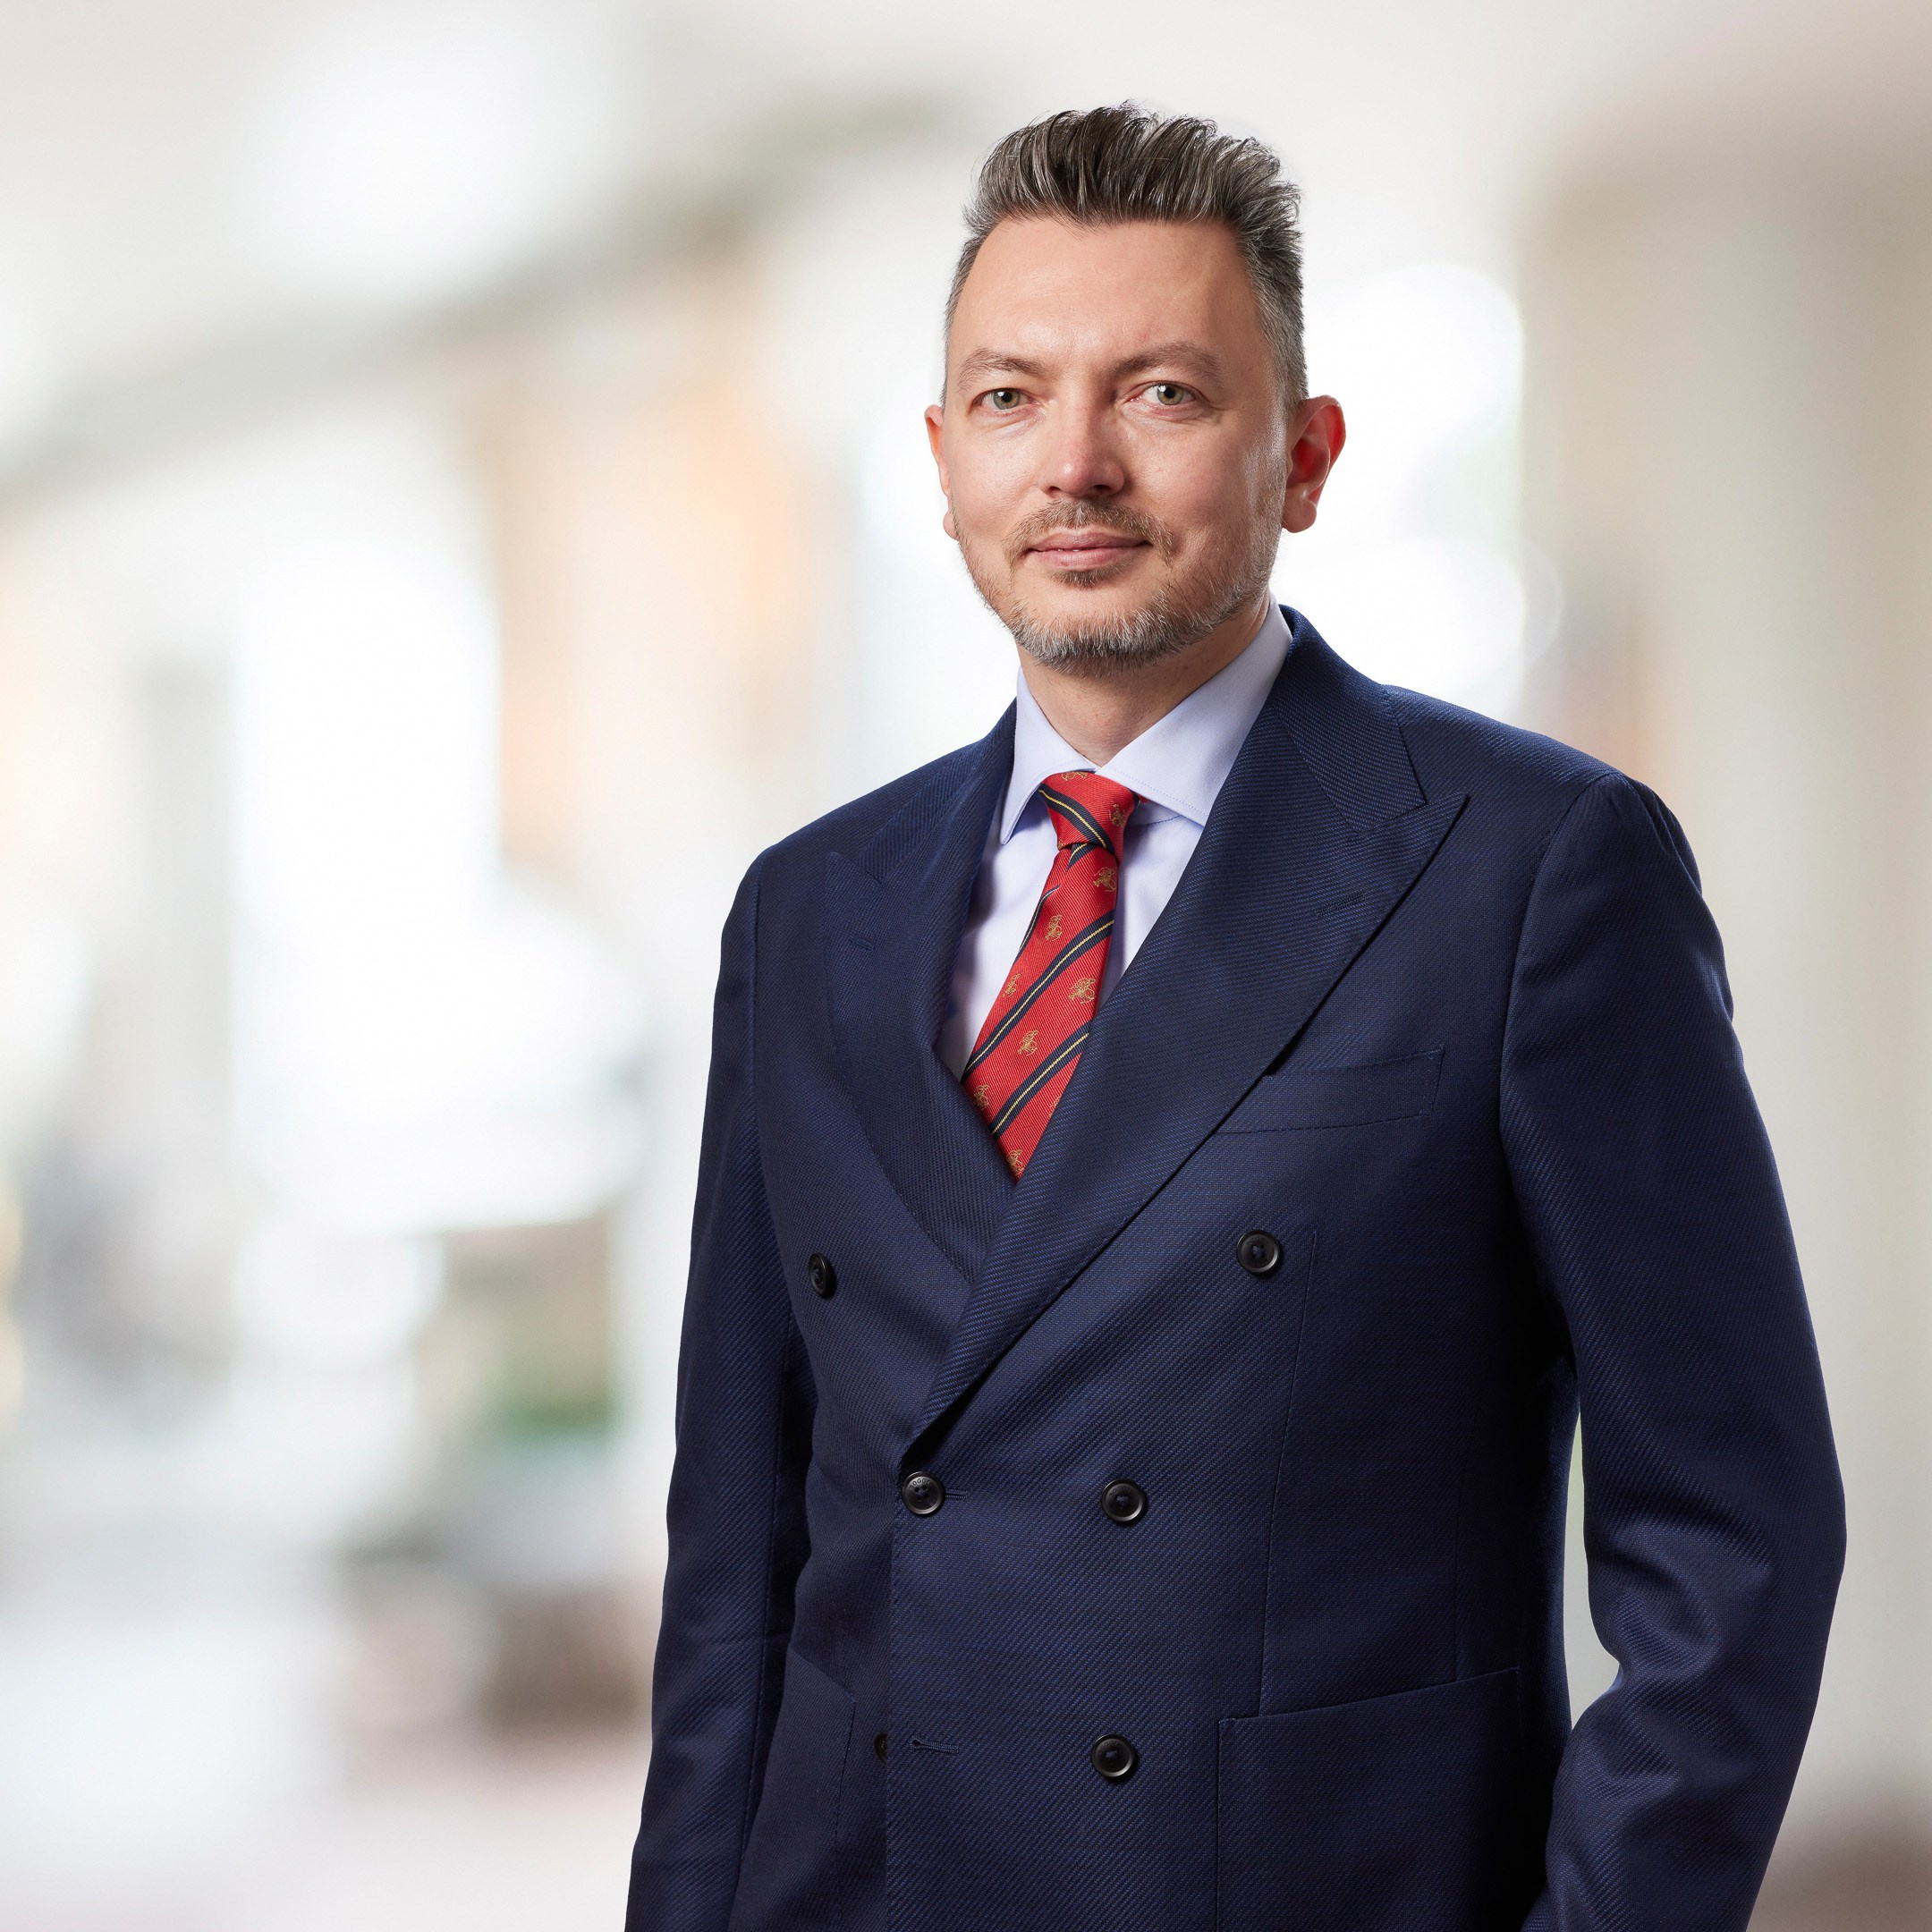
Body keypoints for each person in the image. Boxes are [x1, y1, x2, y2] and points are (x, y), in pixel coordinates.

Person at [624, 105, 1843, 1932]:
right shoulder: (804, 913)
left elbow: (1730, 1538)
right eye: (1012, 396)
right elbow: (735, 1562)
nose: (1078, 465)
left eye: (1166, 394)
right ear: (944, 460)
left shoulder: (1533, 871)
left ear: (1307, 458)